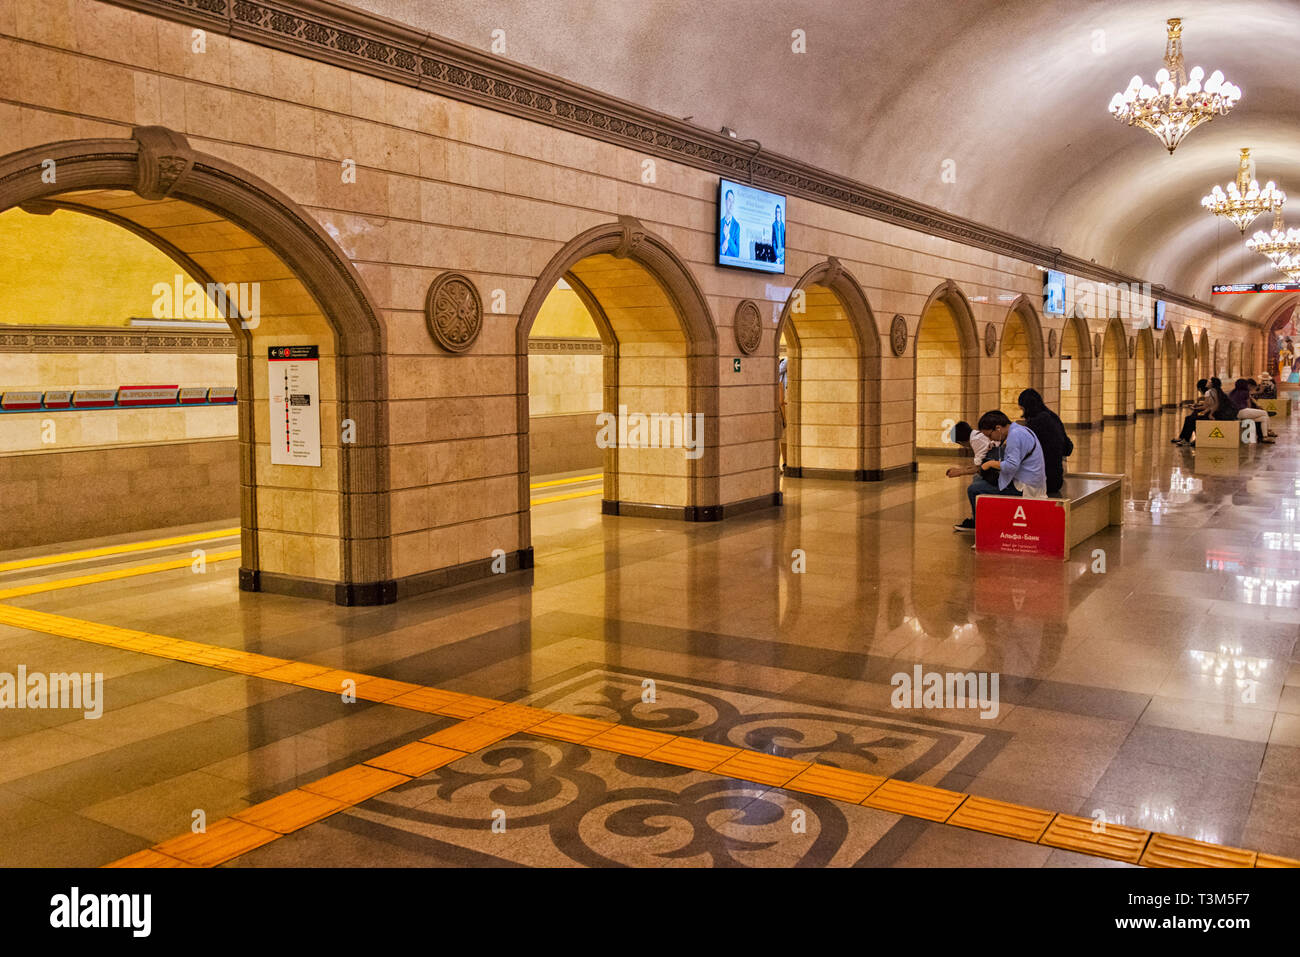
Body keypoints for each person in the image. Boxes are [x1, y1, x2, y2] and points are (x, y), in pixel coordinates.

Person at [953, 410, 1046, 532]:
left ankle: (977, 524)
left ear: (998, 428)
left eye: (990, 436)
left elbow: (1011, 466)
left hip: (1025, 487)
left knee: (974, 489)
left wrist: (989, 464)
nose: (990, 439)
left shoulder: (1014, 436)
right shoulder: (1019, 429)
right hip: (1034, 482)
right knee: (979, 480)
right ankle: (983, 519)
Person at [1016, 388, 1072, 497]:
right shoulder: (1053, 416)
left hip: (1043, 482)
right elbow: (1068, 448)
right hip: (1056, 479)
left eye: (1022, 409)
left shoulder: (1035, 423)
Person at [946, 420, 999, 531]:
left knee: (974, 488)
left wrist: (959, 472)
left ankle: (976, 522)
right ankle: (978, 517)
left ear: (961, 442)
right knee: (976, 479)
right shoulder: (976, 435)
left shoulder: (976, 440)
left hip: (1002, 476)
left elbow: (979, 467)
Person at [1230, 378, 1272, 443]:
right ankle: (1269, 431)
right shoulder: (1245, 392)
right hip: (1243, 411)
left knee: (1263, 418)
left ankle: (1265, 437)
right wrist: (1253, 413)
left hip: (1236, 414)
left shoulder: (1232, 393)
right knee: (1264, 412)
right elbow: (1248, 406)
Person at [1172, 378, 1209, 445]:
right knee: (1190, 417)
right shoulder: (1212, 392)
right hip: (1210, 412)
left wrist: (1195, 408)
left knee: (1192, 418)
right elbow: (1208, 404)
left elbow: (1208, 406)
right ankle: (1183, 438)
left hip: (1211, 414)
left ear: (1200, 389)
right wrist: (1196, 405)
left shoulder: (1209, 393)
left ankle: (1186, 439)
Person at [719, 189, 740, 258]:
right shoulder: (720, 223)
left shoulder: (737, 226)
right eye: (729, 200)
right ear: (725, 201)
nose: (731, 204)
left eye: (733, 201)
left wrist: (728, 237)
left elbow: (737, 253)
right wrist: (721, 249)